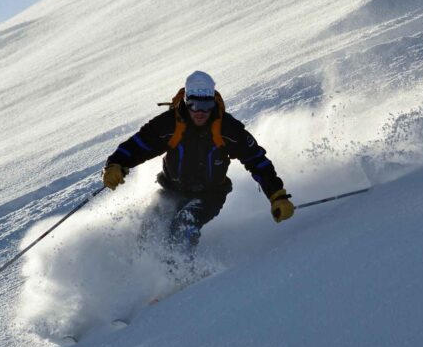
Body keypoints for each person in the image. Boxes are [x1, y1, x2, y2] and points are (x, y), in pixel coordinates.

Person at [101, 71, 294, 252]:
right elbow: (139, 145)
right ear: (186, 102)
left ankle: (181, 277)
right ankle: (143, 272)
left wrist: (277, 195)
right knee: (149, 227)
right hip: (171, 189)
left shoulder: (228, 129)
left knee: (184, 224)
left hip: (210, 195)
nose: (200, 112)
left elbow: (256, 160)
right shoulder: (169, 124)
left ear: (213, 104)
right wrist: (116, 164)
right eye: (194, 105)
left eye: (206, 106)